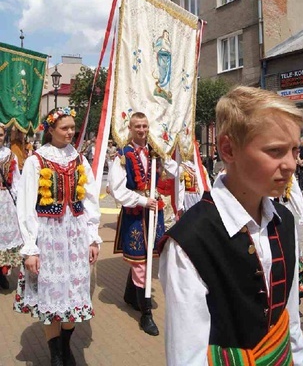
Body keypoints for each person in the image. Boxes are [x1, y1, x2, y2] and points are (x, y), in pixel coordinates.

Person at [159, 86, 303, 365]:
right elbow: (187, 355)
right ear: (228, 149)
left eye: (295, 150)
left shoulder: (283, 221)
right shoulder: (191, 241)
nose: (290, 164)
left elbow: (290, 322)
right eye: (275, 151)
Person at [14, 107, 102, 366]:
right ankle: (56, 354)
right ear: (50, 130)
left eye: (72, 127)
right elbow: (26, 205)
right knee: (52, 294)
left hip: (75, 235)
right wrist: (31, 248)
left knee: (75, 293)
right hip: (48, 237)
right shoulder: (36, 161)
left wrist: (93, 237)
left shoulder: (79, 159)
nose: (70, 132)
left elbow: (90, 199)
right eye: (64, 128)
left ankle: (65, 344)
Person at [107, 111, 177, 337]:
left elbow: (174, 170)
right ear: (130, 128)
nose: (142, 130)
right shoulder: (122, 155)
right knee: (140, 261)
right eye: (138, 126)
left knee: (149, 255)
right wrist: (142, 200)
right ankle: (146, 313)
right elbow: (118, 190)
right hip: (135, 212)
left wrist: (179, 156)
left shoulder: (154, 151)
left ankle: (130, 295)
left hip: (152, 211)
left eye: (145, 126)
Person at [279, 174, 303, 306]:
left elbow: (295, 193)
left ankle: (293, 300)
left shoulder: (287, 174)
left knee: (291, 257)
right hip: (261, 218)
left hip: (283, 217)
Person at [0, 123, 23, 290]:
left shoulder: (10, 155)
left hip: (5, 203)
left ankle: (2, 274)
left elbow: (16, 181)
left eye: (0, 135)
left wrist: (18, 203)